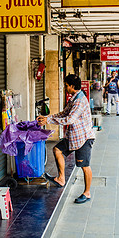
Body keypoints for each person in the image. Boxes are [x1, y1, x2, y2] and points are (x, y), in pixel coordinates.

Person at [37, 74, 95, 204]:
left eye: (66, 85)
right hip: (73, 136)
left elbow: (70, 119)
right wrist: (48, 118)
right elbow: (64, 113)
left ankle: (87, 193)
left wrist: (49, 120)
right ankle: (61, 178)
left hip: (83, 138)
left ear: (72, 86)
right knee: (57, 150)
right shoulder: (74, 98)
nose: (65, 87)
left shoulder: (80, 101)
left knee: (84, 166)